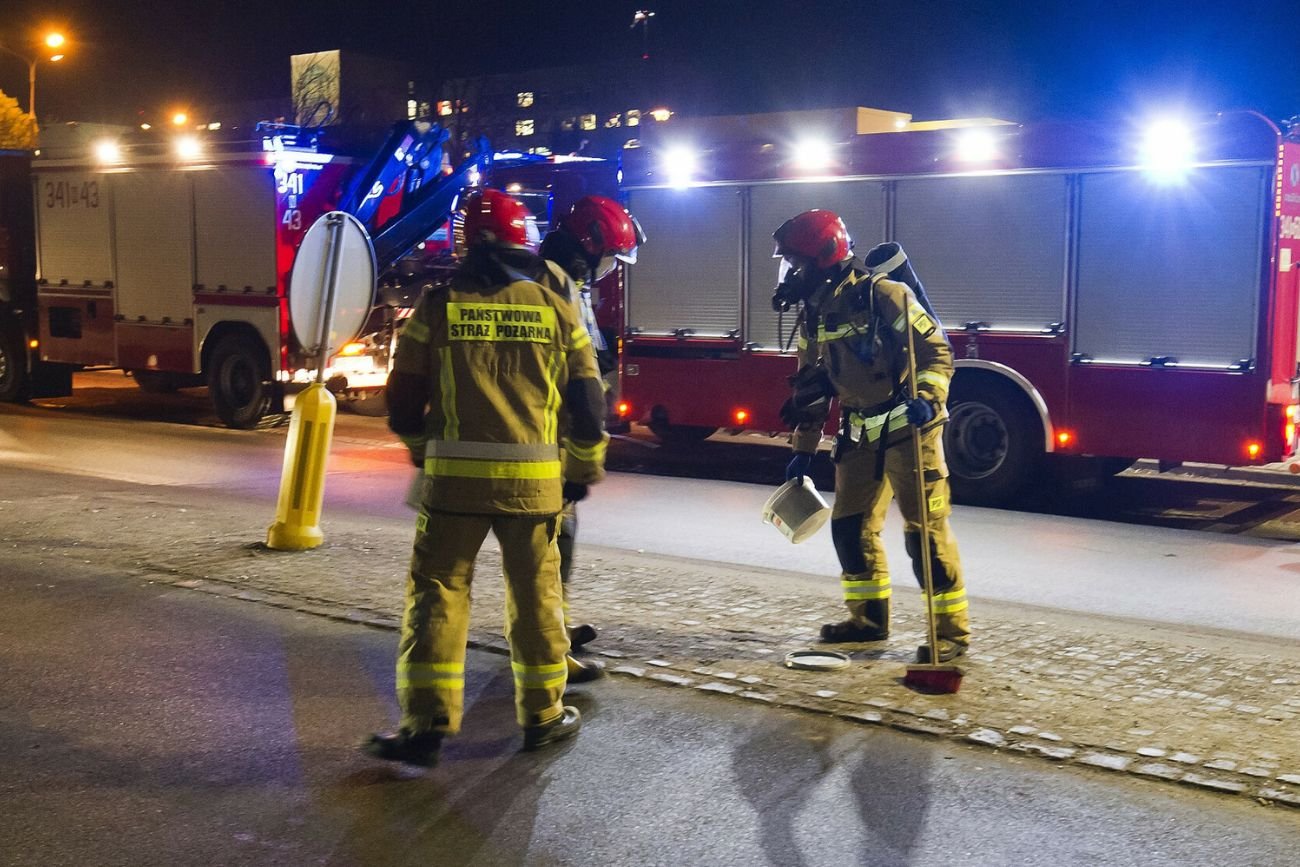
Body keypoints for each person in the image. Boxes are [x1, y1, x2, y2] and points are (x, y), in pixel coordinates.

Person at [366, 188, 609, 766]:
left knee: (438, 595)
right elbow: (588, 402)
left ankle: (425, 726)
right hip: (535, 491)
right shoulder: (556, 307)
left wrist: (425, 452)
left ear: (463, 242)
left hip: (452, 493)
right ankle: (543, 717)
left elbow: (401, 401)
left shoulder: (438, 304)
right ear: (524, 240)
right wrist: (581, 469)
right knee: (537, 601)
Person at [772, 210, 970, 663]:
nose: (790, 274)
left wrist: (929, 397)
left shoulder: (884, 295)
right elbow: (810, 385)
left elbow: (936, 352)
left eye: (796, 263)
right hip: (859, 435)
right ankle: (867, 621)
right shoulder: (815, 312)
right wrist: (802, 453)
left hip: (909, 431)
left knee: (925, 537)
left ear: (823, 257)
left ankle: (951, 635)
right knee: (848, 528)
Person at [537, 195, 645, 682]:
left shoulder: (569, 286)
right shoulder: (554, 288)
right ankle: (549, 654)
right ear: (589, 247)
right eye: (609, 258)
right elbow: (572, 377)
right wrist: (583, 455)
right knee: (548, 548)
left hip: (558, 441)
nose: (610, 270)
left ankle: (554, 629)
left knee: (560, 543)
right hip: (550, 443)